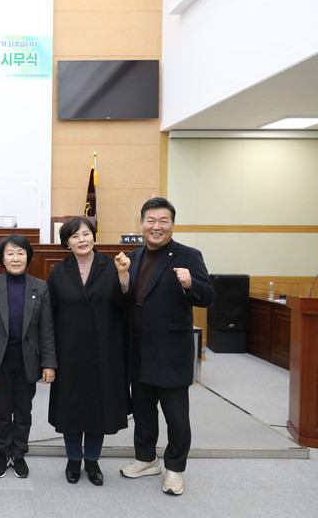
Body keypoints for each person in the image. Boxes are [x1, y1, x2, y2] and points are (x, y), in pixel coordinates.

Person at [120, 197, 214, 496]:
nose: (156, 226)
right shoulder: (132, 258)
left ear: (172, 224)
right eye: (151, 220)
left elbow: (207, 296)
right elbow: (125, 300)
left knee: (176, 416)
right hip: (138, 349)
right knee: (143, 411)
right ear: (141, 223)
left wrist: (190, 284)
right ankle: (146, 459)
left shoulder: (188, 255)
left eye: (163, 221)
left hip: (170, 351)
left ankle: (175, 468)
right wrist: (122, 279)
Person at [47, 216, 132, 487]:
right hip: (69, 351)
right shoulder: (58, 272)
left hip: (105, 350)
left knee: (99, 406)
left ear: (93, 236)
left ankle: (93, 460)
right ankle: (73, 459)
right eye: (74, 236)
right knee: (71, 407)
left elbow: (124, 305)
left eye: (86, 234)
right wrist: (49, 358)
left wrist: (123, 276)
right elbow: (50, 317)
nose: (81, 240)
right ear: (67, 243)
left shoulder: (112, 266)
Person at [0, 234, 57, 479]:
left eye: (20, 253)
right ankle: (2, 451)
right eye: (10, 253)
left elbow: (47, 328)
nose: (16, 258)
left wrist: (49, 363)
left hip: (29, 360)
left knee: (24, 410)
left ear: (28, 257)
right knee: (2, 410)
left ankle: (19, 454)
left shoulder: (41, 287)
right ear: (2, 259)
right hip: (0, 360)